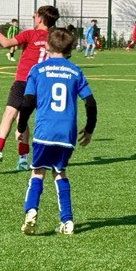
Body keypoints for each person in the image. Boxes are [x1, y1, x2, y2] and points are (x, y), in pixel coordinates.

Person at [18, 27, 97, 235]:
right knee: (60, 172)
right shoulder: (75, 71)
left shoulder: (37, 70)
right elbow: (90, 103)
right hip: (67, 134)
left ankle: (31, 211)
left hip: (44, 132)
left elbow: (27, 103)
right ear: (70, 48)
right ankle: (68, 221)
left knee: (38, 172)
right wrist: (89, 129)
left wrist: (20, 128)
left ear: (46, 45)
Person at [0, 5, 60, 173]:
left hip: (24, 81)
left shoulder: (30, 34)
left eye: (35, 15)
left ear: (40, 18)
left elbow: (7, 43)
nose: (32, 16)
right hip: (41, 85)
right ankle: (23, 158)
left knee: (9, 115)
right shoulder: (53, 38)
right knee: (22, 119)